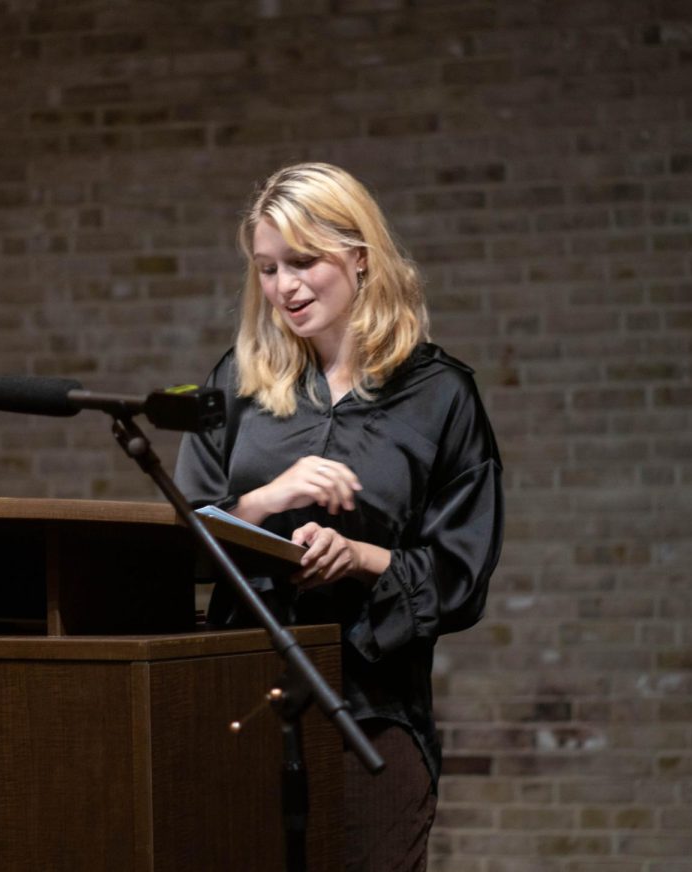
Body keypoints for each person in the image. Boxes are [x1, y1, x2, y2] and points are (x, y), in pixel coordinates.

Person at [174, 162, 504, 871]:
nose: (283, 287)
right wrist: (264, 501)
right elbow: (181, 547)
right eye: (266, 268)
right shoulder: (235, 384)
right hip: (239, 713)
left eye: (301, 262)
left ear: (359, 258)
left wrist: (359, 557)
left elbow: (462, 578)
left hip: (372, 718)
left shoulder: (440, 396)